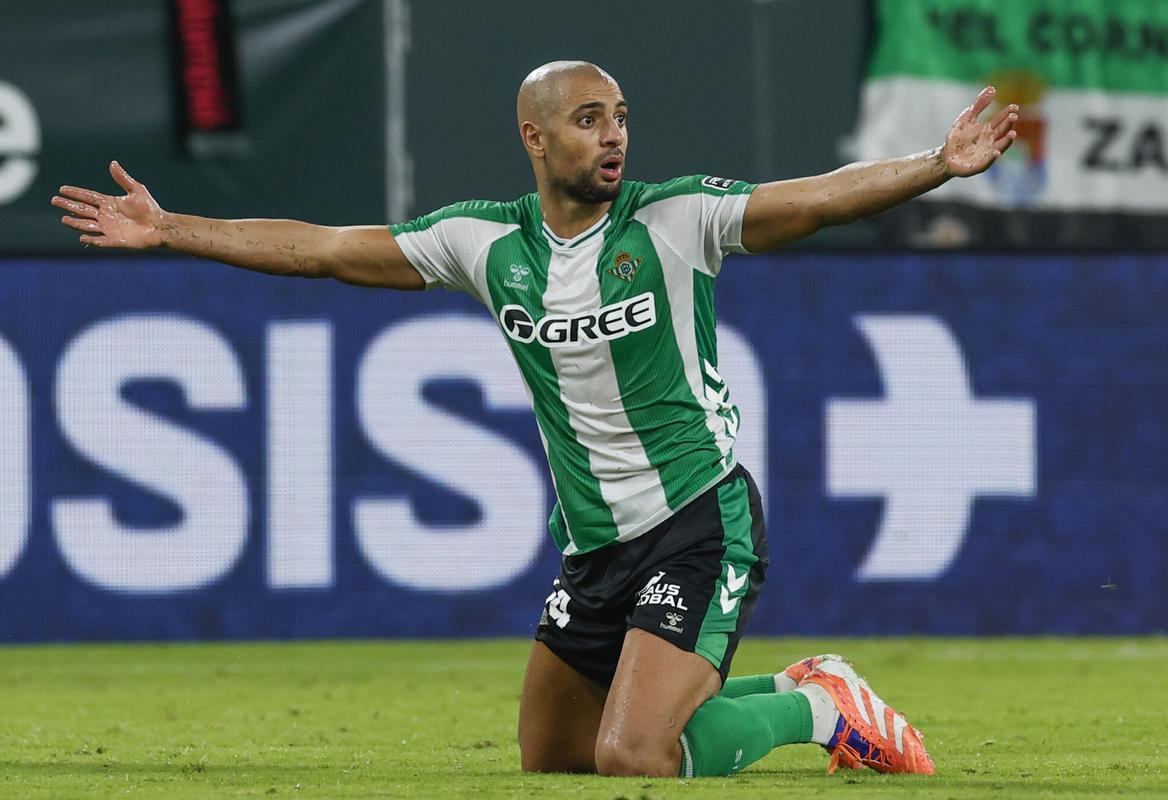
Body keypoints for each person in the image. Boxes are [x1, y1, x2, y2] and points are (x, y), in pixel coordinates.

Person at [53, 60, 1019, 779]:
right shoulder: (486, 241)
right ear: (537, 138)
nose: (614, 136)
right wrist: (172, 228)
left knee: (633, 757)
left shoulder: (674, 220)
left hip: (697, 522)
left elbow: (811, 199)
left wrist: (935, 165)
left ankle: (820, 709)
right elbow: (326, 249)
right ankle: (800, 686)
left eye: (621, 118)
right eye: (589, 120)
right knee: (555, 758)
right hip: (594, 547)